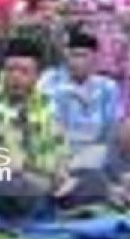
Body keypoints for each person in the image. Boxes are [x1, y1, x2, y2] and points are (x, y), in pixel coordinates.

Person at [0, 37, 89, 219]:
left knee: (90, 177)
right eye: (10, 70)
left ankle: (53, 201)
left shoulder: (45, 106)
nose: (15, 76)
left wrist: (60, 174)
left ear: (37, 76)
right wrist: (31, 171)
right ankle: (52, 205)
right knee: (8, 185)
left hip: (41, 180)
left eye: (24, 71)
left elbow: (59, 150)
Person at [38, 29, 121, 171]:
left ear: (95, 58)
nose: (76, 61)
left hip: (94, 149)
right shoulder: (50, 79)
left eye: (82, 56)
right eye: (72, 55)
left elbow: (111, 127)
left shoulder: (108, 87)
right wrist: (69, 91)